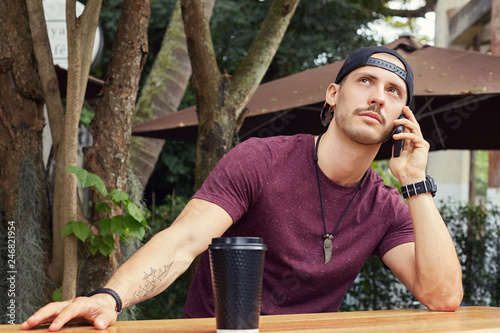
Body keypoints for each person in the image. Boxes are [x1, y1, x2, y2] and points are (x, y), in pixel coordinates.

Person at [21, 46, 463, 331]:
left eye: (394, 91)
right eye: (365, 81)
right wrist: (109, 297)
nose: (378, 97)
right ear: (333, 94)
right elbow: (183, 241)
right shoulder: (261, 160)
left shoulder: (385, 205)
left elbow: (442, 297)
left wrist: (416, 183)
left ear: (402, 117)